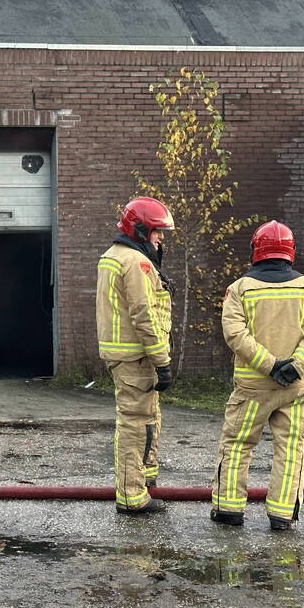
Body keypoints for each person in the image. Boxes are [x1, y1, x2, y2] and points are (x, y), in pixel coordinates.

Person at [210, 220, 304, 530]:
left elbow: (235, 333)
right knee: (291, 449)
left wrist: (269, 364)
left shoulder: (239, 289)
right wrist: (296, 365)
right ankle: (281, 515)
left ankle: (229, 510)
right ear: (290, 252)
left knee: (238, 444)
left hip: (253, 386)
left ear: (256, 251)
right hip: (297, 387)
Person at [96, 197, 176, 515]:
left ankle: (145, 479)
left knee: (148, 418)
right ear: (141, 230)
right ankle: (132, 495)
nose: (161, 238)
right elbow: (144, 314)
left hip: (126, 354)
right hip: (136, 356)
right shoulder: (136, 262)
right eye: (157, 232)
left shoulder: (114, 256)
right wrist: (162, 360)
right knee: (135, 423)